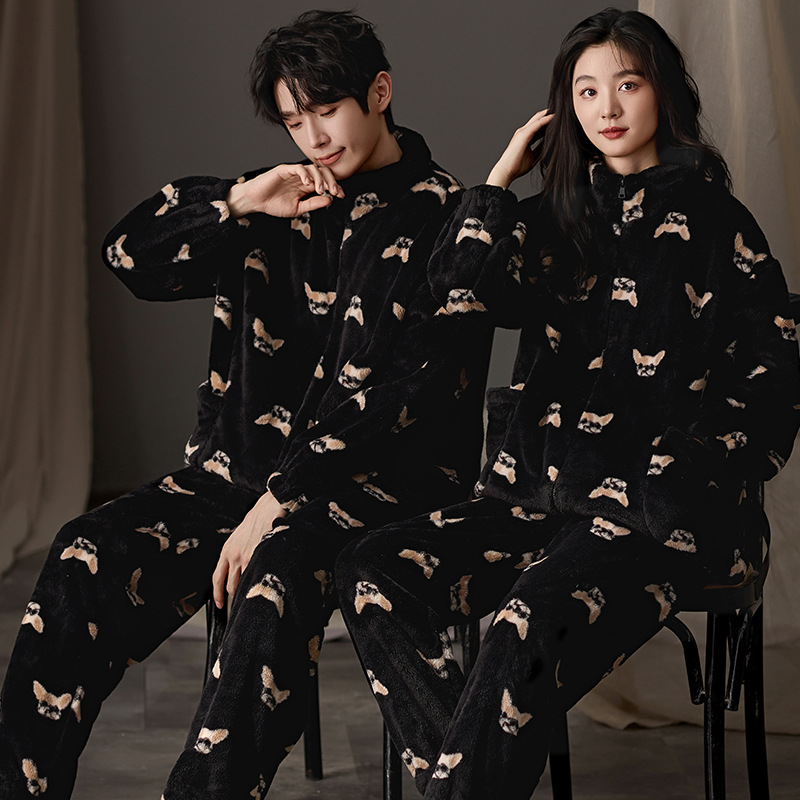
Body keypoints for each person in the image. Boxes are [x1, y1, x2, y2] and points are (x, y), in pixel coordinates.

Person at [0, 10, 492, 799]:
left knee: (272, 580)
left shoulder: (446, 217)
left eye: (326, 111)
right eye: (294, 121)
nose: (313, 138)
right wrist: (236, 201)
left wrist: (282, 498)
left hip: (373, 494)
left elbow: (408, 394)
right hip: (235, 479)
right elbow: (127, 256)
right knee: (81, 551)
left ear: (380, 92)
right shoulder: (276, 199)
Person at [336, 8, 800, 799]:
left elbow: (773, 388)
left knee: (524, 619)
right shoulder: (551, 221)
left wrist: (677, 469)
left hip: (653, 516)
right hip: (534, 499)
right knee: (371, 570)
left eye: (627, 84)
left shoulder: (720, 225)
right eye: (586, 91)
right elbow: (454, 296)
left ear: (663, 92)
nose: (606, 109)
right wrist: (497, 180)